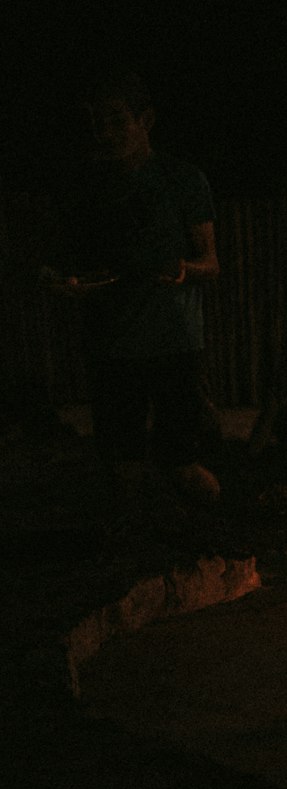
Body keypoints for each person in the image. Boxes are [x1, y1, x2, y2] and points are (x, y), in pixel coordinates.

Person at [42, 68, 222, 510]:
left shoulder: (182, 180)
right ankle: (130, 546)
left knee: (182, 463)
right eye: (97, 122)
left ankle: (221, 537)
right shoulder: (86, 188)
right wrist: (62, 283)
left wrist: (185, 269)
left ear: (146, 120)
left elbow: (211, 263)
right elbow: (59, 264)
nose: (106, 132)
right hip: (110, 345)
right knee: (122, 467)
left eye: (118, 119)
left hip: (172, 343)